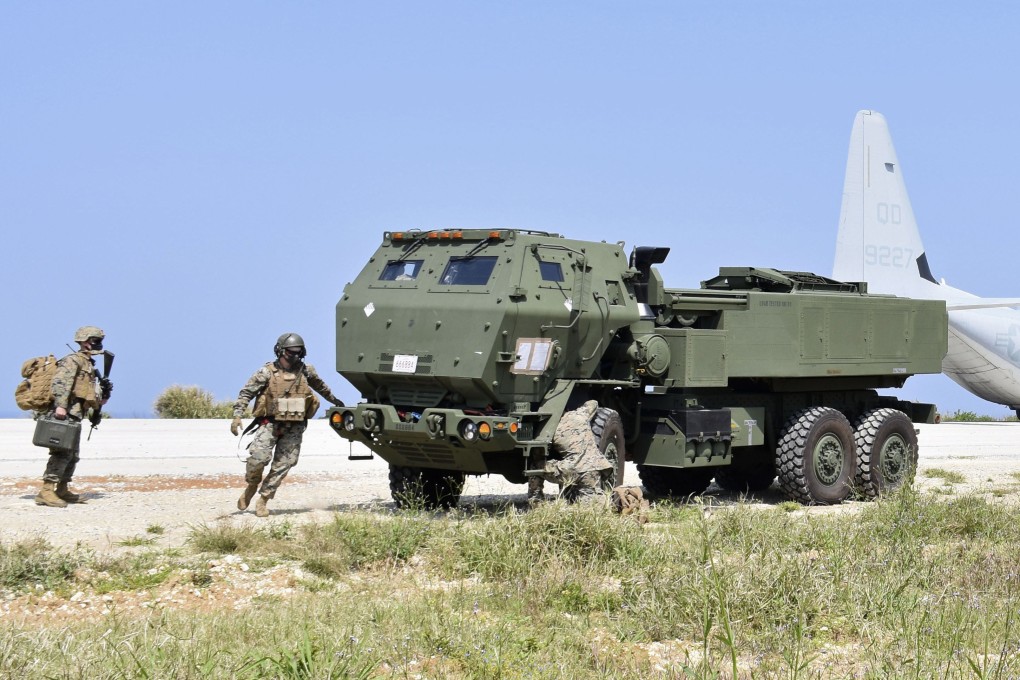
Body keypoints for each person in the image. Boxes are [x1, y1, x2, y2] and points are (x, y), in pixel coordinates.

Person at [230, 333, 343, 517]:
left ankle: (263, 499)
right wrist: (237, 416)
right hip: (270, 424)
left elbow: (321, 387)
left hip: (295, 426)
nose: (293, 356)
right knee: (257, 459)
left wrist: (336, 401)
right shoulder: (266, 372)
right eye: (290, 352)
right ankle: (251, 485)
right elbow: (246, 393)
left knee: (284, 464)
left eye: (298, 352)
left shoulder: (306, 371)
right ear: (280, 351)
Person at [34, 326, 112, 508]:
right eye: (95, 340)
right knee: (60, 452)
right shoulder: (72, 361)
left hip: (76, 413)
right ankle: (46, 491)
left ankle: (62, 488)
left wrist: (101, 399)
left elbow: (85, 390)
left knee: (72, 454)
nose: (98, 343)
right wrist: (61, 406)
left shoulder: (88, 363)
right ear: (84, 341)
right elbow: (61, 383)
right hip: (65, 413)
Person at [540, 400, 614, 502]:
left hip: (570, 470)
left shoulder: (549, 428)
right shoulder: (580, 415)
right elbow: (593, 403)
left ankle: (536, 499)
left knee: (536, 466)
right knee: (593, 501)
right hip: (592, 468)